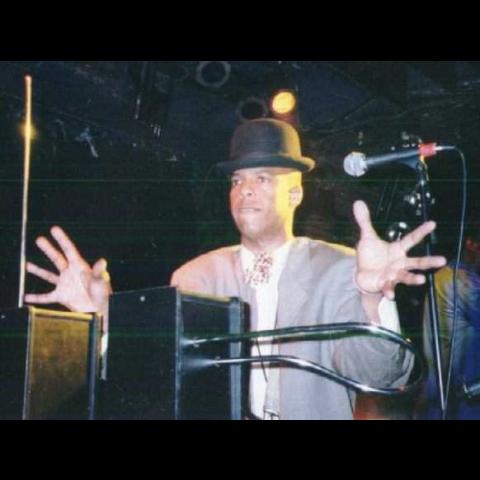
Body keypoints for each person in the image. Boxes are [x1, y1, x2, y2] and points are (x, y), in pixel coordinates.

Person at [25, 118, 446, 420]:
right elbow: (150, 382)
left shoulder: (338, 268)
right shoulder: (194, 278)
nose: (244, 190)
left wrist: (373, 297)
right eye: (236, 180)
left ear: (295, 194)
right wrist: (102, 316)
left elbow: (381, 375)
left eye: (263, 178)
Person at [416, 228, 480, 419]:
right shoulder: (463, 283)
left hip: (441, 394)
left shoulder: (443, 276)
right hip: (462, 400)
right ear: (471, 244)